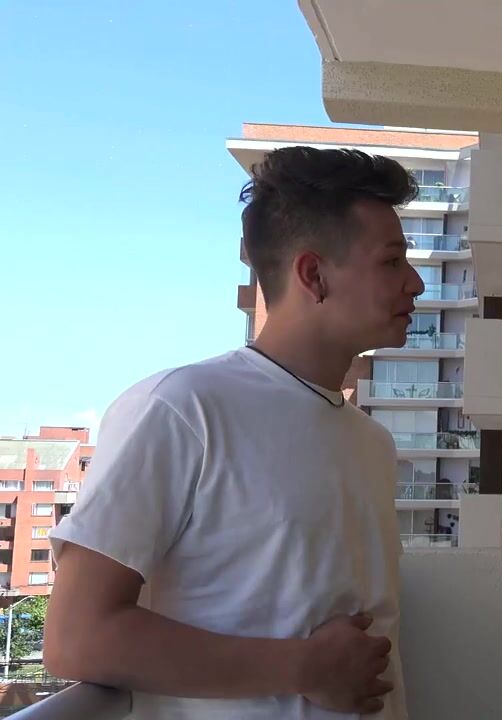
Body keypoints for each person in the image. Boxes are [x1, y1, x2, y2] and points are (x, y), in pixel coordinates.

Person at [44, 147, 426, 719]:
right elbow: (77, 638)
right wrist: (301, 668)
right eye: (392, 262)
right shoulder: (180, 409)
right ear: (314, 275)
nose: (415, 283)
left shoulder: (373, 443)